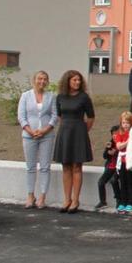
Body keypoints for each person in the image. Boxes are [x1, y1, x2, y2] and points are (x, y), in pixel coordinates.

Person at [52, 70, 95, 213]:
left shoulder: (84, 97)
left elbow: (90, 117)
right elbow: (59, 115)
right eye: (74, 80)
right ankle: (66, 199)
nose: (77, 82)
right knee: (65, 166)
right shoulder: (60, 97)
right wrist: (66, 128)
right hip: (65, 132)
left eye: (79, 80)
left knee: (77, 166)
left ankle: (76, 200)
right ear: (67, 81)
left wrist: (82, 131)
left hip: (79, 132)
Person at [17, 71, 58, 209]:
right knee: (30, 167)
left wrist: (45, 130)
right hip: (29, 135)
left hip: (47, 135)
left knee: (45, 167)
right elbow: (21, 117)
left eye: (45, 79)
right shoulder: (25, 96)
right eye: (40, 78)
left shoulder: (51, 96)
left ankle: (42, 196)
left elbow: (54, 116)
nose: (42, 81)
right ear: (34, 80)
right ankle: (30, 195)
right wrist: (30, 130)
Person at [95, 125, 120, 211]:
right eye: (113, 134)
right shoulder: (110, 143)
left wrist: (115, 152)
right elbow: (104, 156)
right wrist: (108, 152)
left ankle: (118, 200)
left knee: (114, 181)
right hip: (110, 167)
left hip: (118, 167)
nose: (115, 136)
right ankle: (102, 201)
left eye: (116, 134)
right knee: (100, 182)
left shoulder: (122, 143)